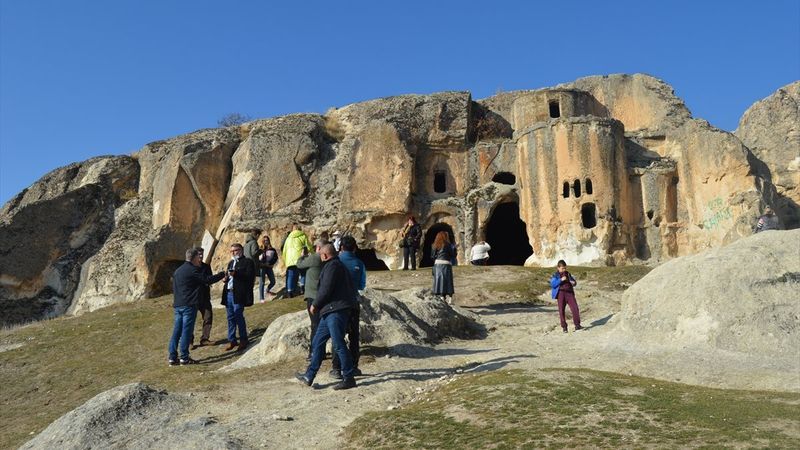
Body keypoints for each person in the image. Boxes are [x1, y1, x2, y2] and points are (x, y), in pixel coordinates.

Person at [295, 244, 359, 390]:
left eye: (320, 255)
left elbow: (326, 288)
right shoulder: (336, 265)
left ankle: (349, 377)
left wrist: (315, 304)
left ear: (324, 255)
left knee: (338, 343)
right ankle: (309, 375)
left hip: (336, 310)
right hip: (330, 311)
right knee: (318, 341)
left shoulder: (333, 267)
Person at [169, 248, 224, 366]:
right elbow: (207, 279)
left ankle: (172, 357)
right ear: (194, 258)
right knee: (186, 332)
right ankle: (184, 357)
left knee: (176, 331)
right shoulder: (192, 270)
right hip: (189, 305)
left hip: (178, 305)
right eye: (198, 256)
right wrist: (222, 274)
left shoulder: (178, 270)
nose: (199, 258)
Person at [331, 235, 366, 378]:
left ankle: (336, 368)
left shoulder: (336, 261)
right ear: (354, 248)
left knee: (337, 335)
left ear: (341, 247)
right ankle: (354, 366)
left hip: (338, 303)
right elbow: (362, 285)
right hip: (353, 301)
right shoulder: (359, 263)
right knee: (354, 335)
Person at [221, 243, 256, 351]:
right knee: (230, 317)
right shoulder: (231, 263)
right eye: (231, 251)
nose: (233, 253)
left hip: (239, 293)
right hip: (229, 293)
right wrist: (225, 279)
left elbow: (250, 277)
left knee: (238, 316)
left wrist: (236, 274)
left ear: (240, 250)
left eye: (235, 250)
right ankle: (232, 340)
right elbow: (229, 277)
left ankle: (243, 339)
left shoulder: (248, 262)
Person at [296, 238, 327, 360]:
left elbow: (299, 265)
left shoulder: (315, 257)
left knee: (315, 325)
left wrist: (302, 256)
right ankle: (321, 351)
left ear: (318, 248)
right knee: (321, 325)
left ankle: (314, 352)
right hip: (323, 296)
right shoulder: (327, 258)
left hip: (313, 296)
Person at [191, 247, 218, 348]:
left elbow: (209, 279)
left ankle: (205, 339)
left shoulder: (206, 267)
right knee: (191, 320)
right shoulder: (191, 268)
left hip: (205, 297)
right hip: (193, 298)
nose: (201, 256)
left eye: (202, 254)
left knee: (208, 317)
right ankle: (190, 342)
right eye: (199, 254)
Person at [550, 260, 582, 333]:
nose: (564, 270)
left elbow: (574, 282)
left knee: (575, 308)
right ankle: (564, 327)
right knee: (561, 311)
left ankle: (577, 325)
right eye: (562, 268)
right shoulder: (555, 275)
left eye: (565, 268)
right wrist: (561, 280)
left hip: (569, 293)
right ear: (558, 268)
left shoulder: (568, 274)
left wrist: (573, 283)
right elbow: (553, 284)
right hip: (561, 293)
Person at [281, 223, 313, 298]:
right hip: (299, 257)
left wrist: (285, 261)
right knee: (303, 272)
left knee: (290, 276)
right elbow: (308, 246)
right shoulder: (302, 235)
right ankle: (302, 287)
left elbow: (284, 251)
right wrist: (312, 253)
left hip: (289, 260)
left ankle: (289, 291)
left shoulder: (288, 238)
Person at [431, 231, 455, 304]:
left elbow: (432, 256)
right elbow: (452, 255)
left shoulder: (434, 245)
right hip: (446, 264)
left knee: (439, 281)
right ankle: (450, 298)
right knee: (448, 281)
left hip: (438, 264)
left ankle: (441, 296)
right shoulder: (448, 245)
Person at [258, 235, 278, 302]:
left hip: (269, 267)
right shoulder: (260, 249)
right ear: (262, 241)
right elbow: (257, 258)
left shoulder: (272, 249)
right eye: (265, 240)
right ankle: (261, 298)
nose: (266, 242)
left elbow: (275, 258)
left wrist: (271, 264)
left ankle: (268, 290)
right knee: (262, 282)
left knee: (273, 281)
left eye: (267, 240)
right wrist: (261, 263)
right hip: (262, 267)